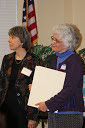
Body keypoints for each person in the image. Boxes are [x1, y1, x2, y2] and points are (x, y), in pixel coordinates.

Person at [35, 24, 84, 128]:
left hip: (70, 114)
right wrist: (36, 88)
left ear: (67, 44)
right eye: (53, 38)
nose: (52, 42)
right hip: (55, 112)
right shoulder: (55, 60)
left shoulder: (74, 61)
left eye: (56, 40)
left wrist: (48, 104)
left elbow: (69, 90)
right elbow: (52, 85)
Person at [0, 26, 43, 128]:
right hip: (5, 108)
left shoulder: (34, 61)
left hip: (22, 110)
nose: (9, 40)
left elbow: (36, 91)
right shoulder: (7, 59)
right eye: (9, 37)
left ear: (22, 41)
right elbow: (1, 84)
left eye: (13, 37)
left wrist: (32, 117)